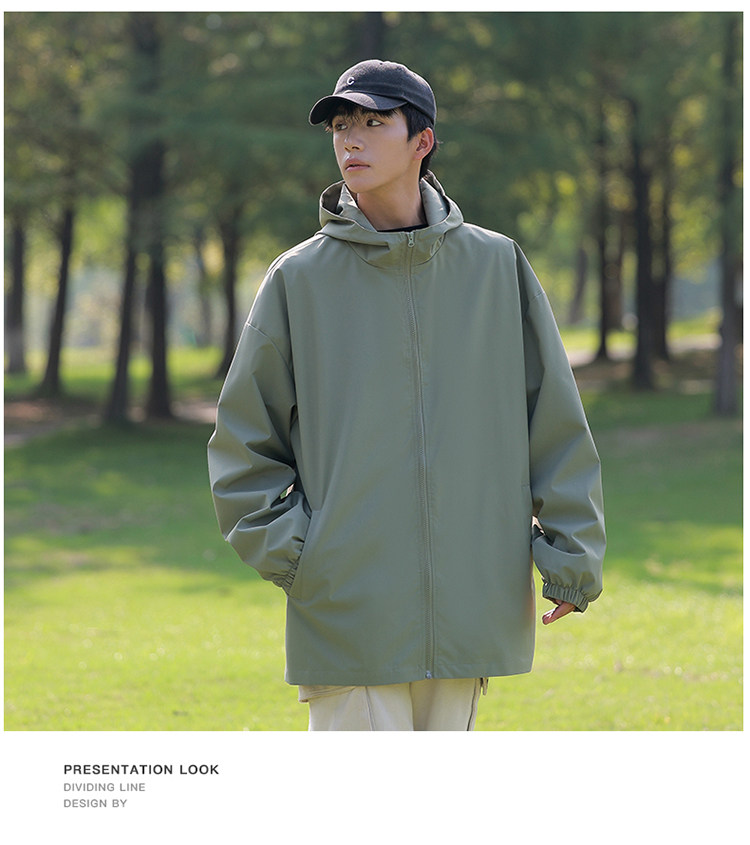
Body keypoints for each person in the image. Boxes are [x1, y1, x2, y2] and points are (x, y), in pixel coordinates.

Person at [207, 59, 605, 731]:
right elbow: (243, 446)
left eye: (372, 122)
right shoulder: (298, 280)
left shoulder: (496, 266)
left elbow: (555, 423)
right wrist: (305, 559)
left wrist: (572, 557)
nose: (350, 140)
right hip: (348, 610)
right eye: (341, 125)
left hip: (471, 605)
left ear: (423, 141)